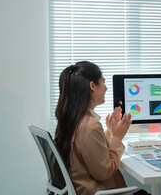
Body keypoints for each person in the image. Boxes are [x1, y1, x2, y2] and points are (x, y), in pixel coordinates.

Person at [54, 61, 147, 195]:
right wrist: (117, 137)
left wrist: (110, 132)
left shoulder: (73, 119)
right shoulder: (90, 125)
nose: (106, 88)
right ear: (92, 86)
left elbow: (89, 150)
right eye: (103, 82)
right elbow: (104, 172)